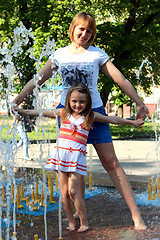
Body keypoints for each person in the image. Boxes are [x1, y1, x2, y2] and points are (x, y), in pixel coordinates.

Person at [11, 12, 151, 230]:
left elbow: (119, 78)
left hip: (93, 112)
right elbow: (38, 79)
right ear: (73, 28)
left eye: (89, 31)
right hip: (66, 113)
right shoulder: (59, 55)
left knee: (111, 163)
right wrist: (17, 100)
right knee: (72, 163)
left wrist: (139, 102)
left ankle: (137, 217)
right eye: (81, 29)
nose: (84, 34)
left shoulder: (97, 54)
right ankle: (77, 210)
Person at [15, 83, 144, 232]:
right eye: (74, 101)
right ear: (69, 100)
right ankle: (71, 222)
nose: (77, 105)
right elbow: (41, 112)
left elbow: (113, 120)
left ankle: (84, 222)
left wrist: (132, 122)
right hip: (60, 157)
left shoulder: (90, 116)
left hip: (76, 159)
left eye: (82, 101)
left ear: (88, 102)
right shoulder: (63, 113)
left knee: (73, 191)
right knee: (63, 192)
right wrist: (23, 111)